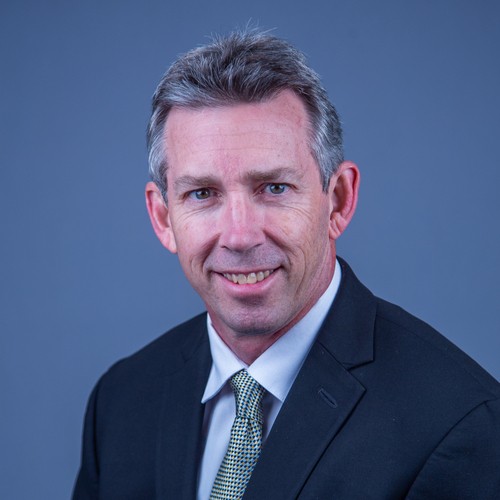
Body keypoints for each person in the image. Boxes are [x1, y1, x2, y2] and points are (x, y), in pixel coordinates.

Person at [73, 30, 500, 499]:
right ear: (163, 217)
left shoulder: (457, 426)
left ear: (338, 201)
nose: (240, 236)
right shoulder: (121, 402)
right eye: (202, 194)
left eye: (274, 188)